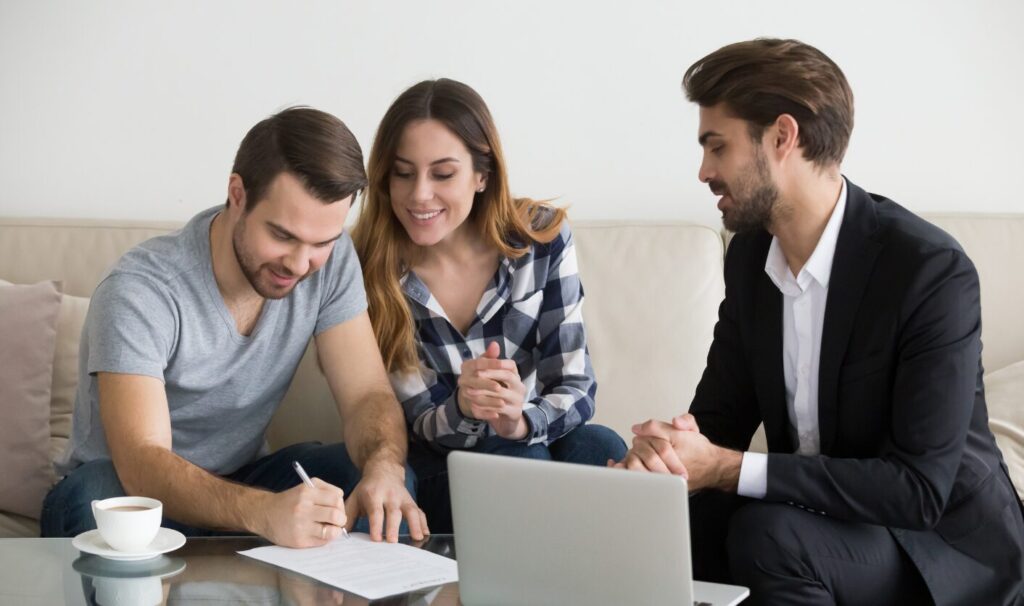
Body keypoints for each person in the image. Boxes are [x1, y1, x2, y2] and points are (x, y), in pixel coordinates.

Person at [616, 39, 1024, 605]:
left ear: (782, 137)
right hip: (818, 517)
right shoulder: (751, 256)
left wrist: (730, 469)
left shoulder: (927, 271)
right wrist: (663, 460)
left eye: (718, 146)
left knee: (769, 535)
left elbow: (917, 490)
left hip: (937, 544)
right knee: (671, 525)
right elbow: (719, 421)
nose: (704, 170)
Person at [42, 107, 428, 546]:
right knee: (95, 500)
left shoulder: (333, 262)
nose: (301, 264)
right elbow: (142, 462)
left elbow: (366, 395)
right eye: (282, 236)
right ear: (237, 194)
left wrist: (384, 468)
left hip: (245, 478)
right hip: (129, 492)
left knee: (380, 485)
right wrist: (264, 513)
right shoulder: (140, 290)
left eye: (321, 242)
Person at [351, 78, 626, 532]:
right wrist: (466, 405)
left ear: (483, 175)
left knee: (599, 446)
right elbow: (417, 420)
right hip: (442, 462)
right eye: (403, 172)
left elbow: (575, 385)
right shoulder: (369, 267)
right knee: (521, 459)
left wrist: (518, 419)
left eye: (442, 174)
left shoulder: (541, 238)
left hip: (533, 436)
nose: (419, 194)